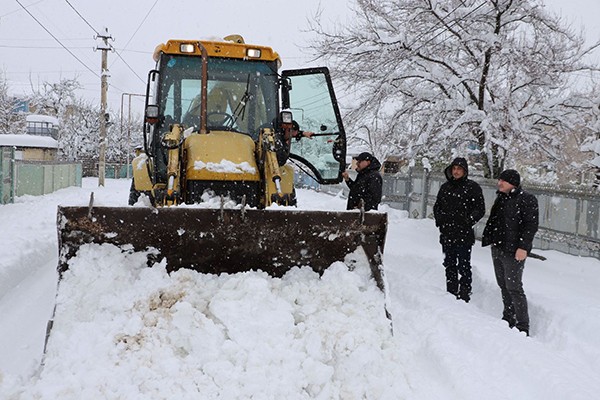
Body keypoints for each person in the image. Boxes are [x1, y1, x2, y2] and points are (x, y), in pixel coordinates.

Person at [482, 169, 539, 336]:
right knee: (503, 286)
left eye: (503, 181)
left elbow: (531, 226)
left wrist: (523, 248)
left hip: (514, 252)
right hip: (498, 248)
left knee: (514, 287)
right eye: (499, 179)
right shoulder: (501, 197)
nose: (499, 183)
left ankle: (523, 326)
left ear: (513, 183)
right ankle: (508, 317)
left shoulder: (527, 199)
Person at [433, 157, 485, 302]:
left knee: (464, 265)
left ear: (465, 171)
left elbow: (479, 209)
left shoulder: (472, 188)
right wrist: (441, 221)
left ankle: (464, 294)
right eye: (454, 169)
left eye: (459, 169)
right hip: (447, 233)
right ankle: (451, 292)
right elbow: (437, 207)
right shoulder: (445, 188)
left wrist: (468, 221)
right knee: (449, 264)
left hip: (464, 234)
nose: (456, 172)